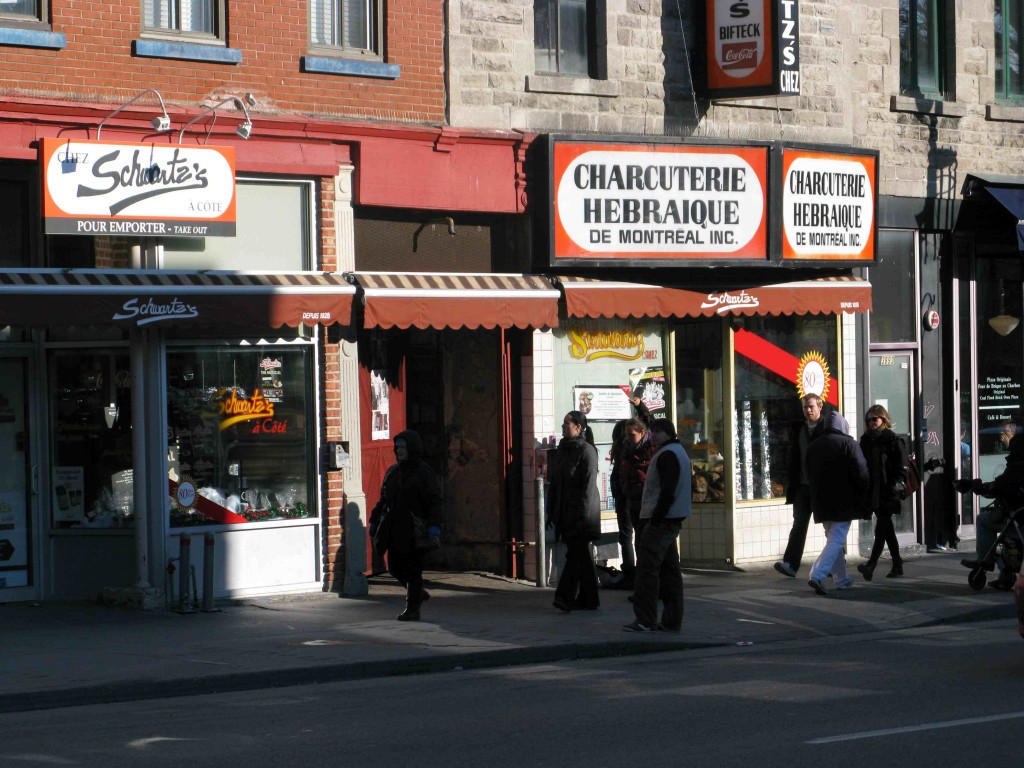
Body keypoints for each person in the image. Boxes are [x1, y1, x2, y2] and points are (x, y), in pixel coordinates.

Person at [623, 418, 691, 632]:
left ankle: (645, 619)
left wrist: (655, 519)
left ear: (665, 433)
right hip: (670, 518)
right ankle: (671, 620)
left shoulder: (667, 454)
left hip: (660, 520)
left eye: (655, 432)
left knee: (646, 569)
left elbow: (667, 492)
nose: (652, 436)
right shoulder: (678, 452)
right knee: (670, 571)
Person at [368, 430, 443, 621]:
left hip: (414, 529)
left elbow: (434, 501)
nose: (399, 451)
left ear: (412, 448)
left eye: (403, 447)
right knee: (394, 567)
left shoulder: (423, 472)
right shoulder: (393, 471)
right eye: (397, 447)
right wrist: (375, 519)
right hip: (395, 527)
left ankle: (412, 609)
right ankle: (418, 593)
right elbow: (384, 499)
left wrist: (434, 525)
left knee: (413, 569)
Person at [806, 410, 870, 597]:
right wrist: (863, 492)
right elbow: (862, 472)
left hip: (821, 500)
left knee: (833, 539)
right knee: (837, 540)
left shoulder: (814, 446)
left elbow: (808, 472)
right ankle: (817, 574)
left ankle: (841, 579)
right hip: (844, 499)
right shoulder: (849, 444)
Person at [549, 410, 601, 612]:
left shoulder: (587, 451)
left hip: (581, 514)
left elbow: (588, 487)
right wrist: (551, 511)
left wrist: (584, 517)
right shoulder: (563, 450)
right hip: (565, 512)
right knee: (580, 555)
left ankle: (564, 596)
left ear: (578, 427)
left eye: (566, 424)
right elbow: (556, 483)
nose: (563, 427)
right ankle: (589, 599)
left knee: (576, 555)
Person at [959, 433, 1024, 590]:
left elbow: (997, 487)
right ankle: (1005, 574)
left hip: (1017, 518)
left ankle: (985, 560)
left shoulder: (1016, 467)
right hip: (1019, 517)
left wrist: (978, 487)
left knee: (983, 520)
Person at [774, 394, 826, 578]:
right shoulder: (799, 429)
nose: (808, 410)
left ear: (820, 407)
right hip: (803, 487)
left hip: (822, 486)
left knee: (830, 527)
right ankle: (790, 564)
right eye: (805, 407)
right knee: (799, 524)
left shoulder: (827, 428)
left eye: (811, 406)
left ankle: (835, 563)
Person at [857, 405, 909, 580]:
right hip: (873, 492)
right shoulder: (865, 440)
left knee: (882, 527)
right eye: (869, 419)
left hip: (888, 491)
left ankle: (871, 565)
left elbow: (903, 468)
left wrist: (896, 484)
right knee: (887, 529)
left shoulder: (892, 439)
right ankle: (897, 564)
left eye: (876, 419)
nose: (872, 422)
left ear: (884, 420)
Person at [609, 398, 653, 589]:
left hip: (637, 498)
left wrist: (639, 406)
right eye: (626, 434)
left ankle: (636, 575)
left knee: (636, 537)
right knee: (630, 536)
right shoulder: (626, 448)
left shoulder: (642, 448)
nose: (628, 437)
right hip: (628, 497)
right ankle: (633, 574)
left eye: (631, 434)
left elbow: (648, 422)